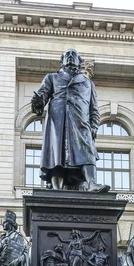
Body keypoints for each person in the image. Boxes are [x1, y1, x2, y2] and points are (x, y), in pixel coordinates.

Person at [31, 48, 109, 193]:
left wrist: (93, 127)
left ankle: (92, 183)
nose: (71, 57)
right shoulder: (51, 78)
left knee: (86, 152)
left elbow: (94, 109)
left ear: (80, 61)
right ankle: (56, 189)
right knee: (56, 156)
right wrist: (37, 102)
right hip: (58, 120)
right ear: (62, 60)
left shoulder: (87, 83)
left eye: (75, 55)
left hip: (80, 121)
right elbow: (42, 97)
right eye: (68, 55)